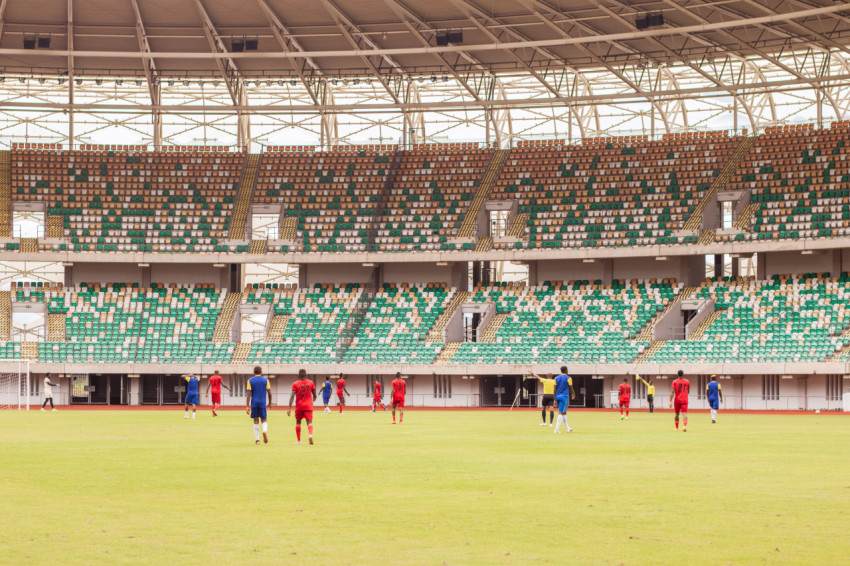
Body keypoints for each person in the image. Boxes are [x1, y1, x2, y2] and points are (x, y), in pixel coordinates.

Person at [287, 369, 316, 444]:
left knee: (298, 422)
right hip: (308, 405)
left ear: (299, 375)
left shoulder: (295, 384)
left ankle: (299, 440)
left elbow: (292, 396)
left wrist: (289, 408)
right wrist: (314, 398)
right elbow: (314, 393)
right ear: (306, 375)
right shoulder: (311, 383)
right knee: (309, 422)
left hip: (299, 406)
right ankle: (310, 435)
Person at [246, 366, 272, 445]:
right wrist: (270, 403)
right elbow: (269, 393)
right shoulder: (266, 380)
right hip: (262, 403)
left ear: (254, 372)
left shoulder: (250, 380)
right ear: (261, 371)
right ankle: (264, 431)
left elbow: (248, 394)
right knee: (264, 419)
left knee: (256, 421)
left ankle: (257, 440)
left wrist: (247, 406)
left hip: (254, 403)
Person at [553, 366, 575, 434]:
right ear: (566, 370)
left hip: (557, 396)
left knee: (564, 412)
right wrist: (573, 394)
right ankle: (556, 429)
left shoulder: (556, 378)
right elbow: (571, 387)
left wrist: (554, 399)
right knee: (561, 413)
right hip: (564, 397)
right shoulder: (568, 378)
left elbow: (554, 389)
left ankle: (567, 428)